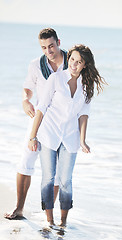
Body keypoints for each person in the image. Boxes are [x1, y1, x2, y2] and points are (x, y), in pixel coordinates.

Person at [27, 44, 105, 228]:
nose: (74, 65)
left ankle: (63, 222)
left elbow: (84, 114)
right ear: (68, 59)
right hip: (49, 134)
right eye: (72, 60)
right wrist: (33, 136)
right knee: (48, 177)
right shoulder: (55, 79)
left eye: (79, 62)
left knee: (66, 180)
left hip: (70, 138)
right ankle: (49, 220)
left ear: (85, 65)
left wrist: (82, 140)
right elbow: (41, 108)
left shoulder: (87, 85)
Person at [4, 28, 68, 219]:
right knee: (25, 163)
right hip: (38, 122)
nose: (48, 51)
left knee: (56, 173)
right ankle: (19, 208)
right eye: (43, 47)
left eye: (51, 46)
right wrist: (25, 100)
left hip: (62, 125)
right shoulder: (35, 65)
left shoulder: (71, 62)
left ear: (58, 42)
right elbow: (27, 88)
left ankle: (48, 216)